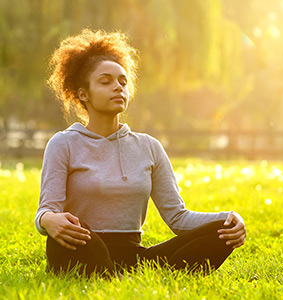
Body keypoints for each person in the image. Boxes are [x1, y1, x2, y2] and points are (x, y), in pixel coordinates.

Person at [35, 28, 246, 278]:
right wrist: (49, 221)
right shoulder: (63, 143)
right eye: (106, 81)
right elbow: (46, 210)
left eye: (123, 82)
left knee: (222, 231)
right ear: (83, 93)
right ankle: (111, 273)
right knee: (78, 240)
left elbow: (178, 217)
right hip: (82, 245)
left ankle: (116, 274)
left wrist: (229, 218)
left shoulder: (149, 146)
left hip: (134, 256)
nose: (118, 87)